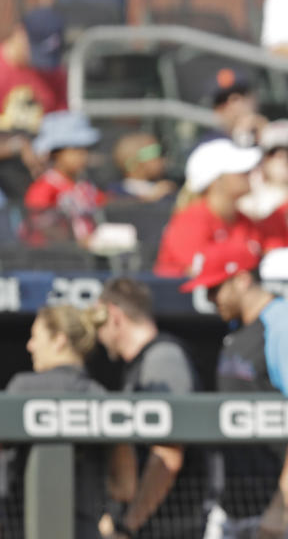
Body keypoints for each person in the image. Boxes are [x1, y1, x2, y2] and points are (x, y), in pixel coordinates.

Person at [179, 239, 288, 539]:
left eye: (215, 287)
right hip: (237, 509)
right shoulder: (239, 329)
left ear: (242, 279)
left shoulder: (286, 326)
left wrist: (281, 507)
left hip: (284, 514)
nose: (208, 297)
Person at [87, 278, 208, 539]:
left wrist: (129, 525)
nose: (97, 333)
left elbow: (168, 454)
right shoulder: (139, 365)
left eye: (99, 322)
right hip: (152, 523)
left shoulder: (163, 358)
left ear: (115, 316)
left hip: (172, 524)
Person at [5, 304, 135, 539]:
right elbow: (124, 487)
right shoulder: (100, 395)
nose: (30, 346)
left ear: (59, 340)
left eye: (35, 337)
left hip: (23, 529)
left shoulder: (22, 389)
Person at [154, 139, 288, 277]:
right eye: (240, 170)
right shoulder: (190, 220)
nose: (249, 173)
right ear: (216, 181)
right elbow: (201, 272)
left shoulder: (243, 220)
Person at [0, 8, 66, 201]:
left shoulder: (54, 72)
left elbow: (62, 123)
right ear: (20, 33)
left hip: (38, 166)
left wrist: (51, 152)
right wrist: (17, 147)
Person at [22, 110, 105, 246]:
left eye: (85, 149)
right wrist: (74, 241)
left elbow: (103, 203)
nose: (83, 156)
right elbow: (39, 225)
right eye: (75, 150)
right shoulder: (44, 188)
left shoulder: (85, 186)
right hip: (54, 259)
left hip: (85, 260)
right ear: (56, 154)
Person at [108, 131, 177, 202]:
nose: (162, 159)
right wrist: (151, 198)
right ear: (136, 162)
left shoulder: (167, 188)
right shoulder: (115, 192)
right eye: (156, 155)